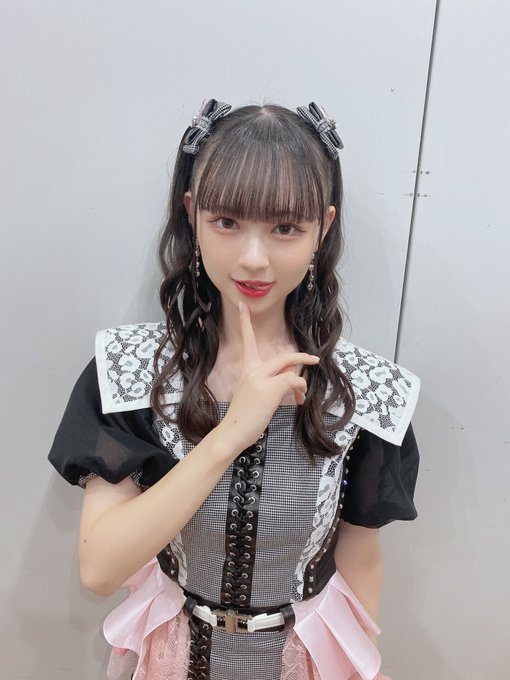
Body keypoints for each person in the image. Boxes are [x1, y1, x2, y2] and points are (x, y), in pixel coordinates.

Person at [48, 99, 420, 680]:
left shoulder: (367, 390)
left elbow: (360, 554)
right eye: (226, 221)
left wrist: (364, 664)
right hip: (175, 656)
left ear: (323, 228)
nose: (253, 258)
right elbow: (100, 570)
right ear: (192, 214)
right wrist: (229, 436)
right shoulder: (129, 371)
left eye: (285, 228)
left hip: (305, 660)